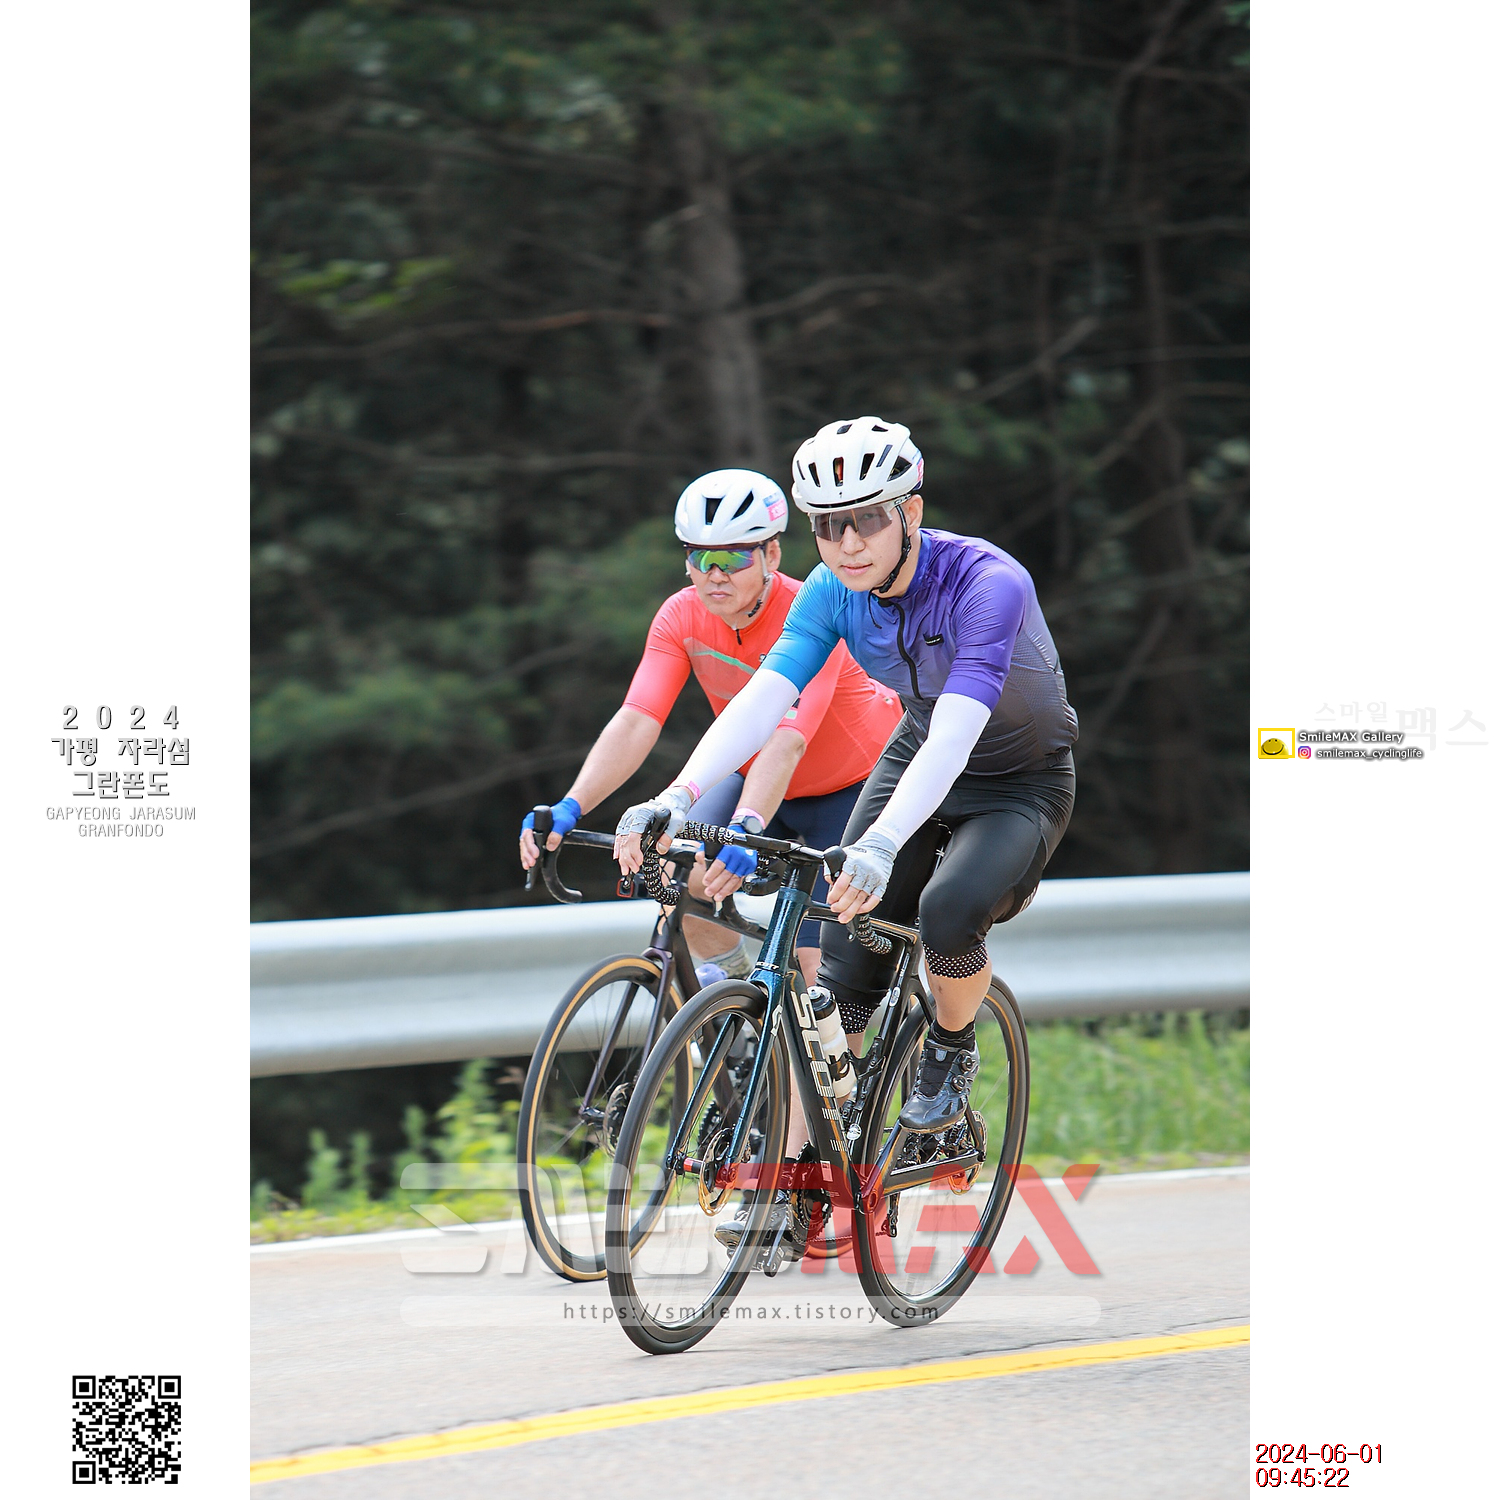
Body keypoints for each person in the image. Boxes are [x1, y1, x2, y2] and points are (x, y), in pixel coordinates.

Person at [614, 417, 1078, 1266]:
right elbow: (765, 700)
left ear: (911, 512)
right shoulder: (831, 591)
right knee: (844, 964)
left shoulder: (987, 581)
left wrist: (884, 840)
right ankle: (809, 1169)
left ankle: (949, 1056)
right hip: (916, 753)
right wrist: (675, 796)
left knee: (948, 910)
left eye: (866, 519)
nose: (848, 542)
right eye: (828, 526)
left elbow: (959, 731)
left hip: (1016, 779)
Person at [520, 468, 902, 986]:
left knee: (819, 970)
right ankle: (731, 1004)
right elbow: (637, 718)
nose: (715, 574)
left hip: (852, 788)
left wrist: (747, 824)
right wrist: (572, 804)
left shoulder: (813, 610)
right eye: (701, 558)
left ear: (771, 555)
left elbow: (787, 739)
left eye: (733, 557)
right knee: (679, 876)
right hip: (753, 778)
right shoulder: (680, 615)